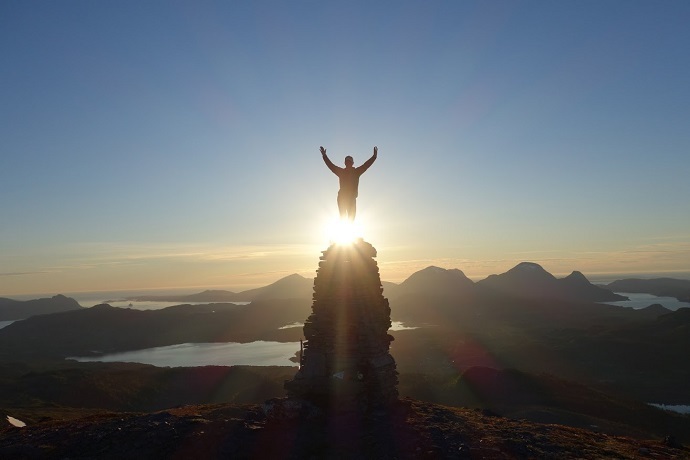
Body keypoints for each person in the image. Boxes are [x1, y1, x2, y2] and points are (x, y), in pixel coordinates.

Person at [320, 145, 377, 222]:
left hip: (351, 199)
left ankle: (347, 232)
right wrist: (324, 156)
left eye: (349, 162)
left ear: (352, 163)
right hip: (342, 198)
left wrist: (374, 156)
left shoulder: (356, 172)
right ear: (345, 163)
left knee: (351, 219)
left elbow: (366, 165)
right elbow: (331, 166)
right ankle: (342, 232)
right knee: (343, 217)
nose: (348, 164)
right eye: (347, 162)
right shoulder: (341, 172)